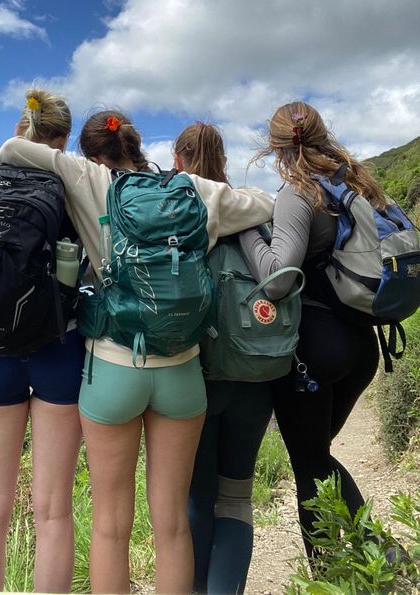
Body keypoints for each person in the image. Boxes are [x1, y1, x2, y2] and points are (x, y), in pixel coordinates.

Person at [0, 107, 274, 594]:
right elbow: (267, 204)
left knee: (110, 525)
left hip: (113, 365)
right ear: (139, 145)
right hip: (182, 372)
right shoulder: (193, 191)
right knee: (172, 525)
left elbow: (11, 152)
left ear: (89, 150)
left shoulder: (88, 178)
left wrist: (37, 129)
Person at [239, 101, 382, 560]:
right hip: (363, 344)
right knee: (317, 456)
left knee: (310, 464)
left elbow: (279, 281)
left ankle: (342, 568)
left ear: (275, 147)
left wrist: (245, 232)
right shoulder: (358, 181)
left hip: (317, 351)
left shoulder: (297, 192)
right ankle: (370, 553)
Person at [0, 89, 84, 594]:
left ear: (20, 130)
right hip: (58, 350)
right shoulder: (71, 183)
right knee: (53, 510)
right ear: (62, 138)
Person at [174, 122, 273, 594]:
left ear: (178, 161)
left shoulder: (178, 210)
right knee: (236, 497)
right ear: (225, 162)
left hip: (198, 374)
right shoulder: (251, 208)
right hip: (256, 371)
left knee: (197, 495)